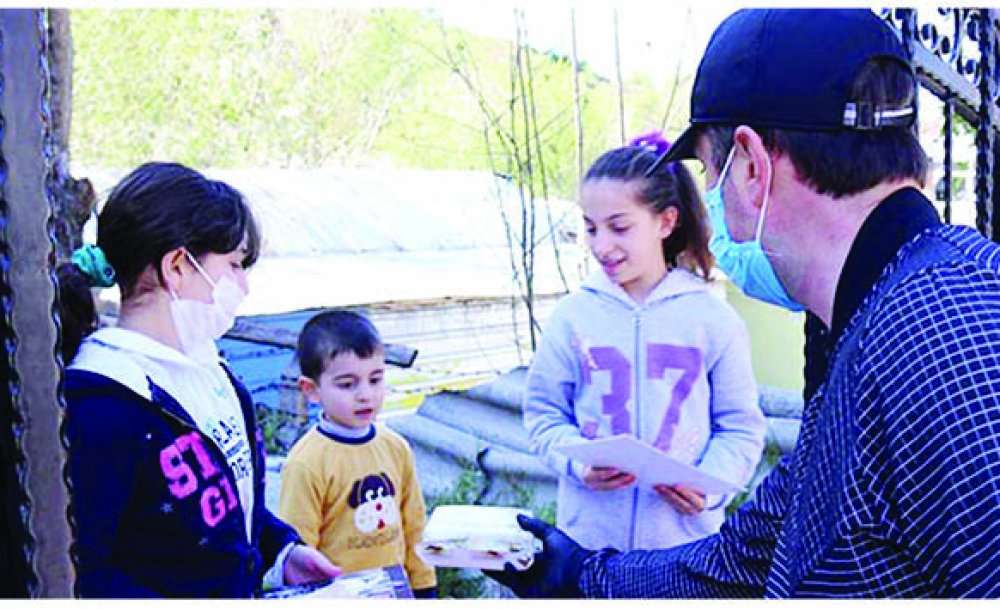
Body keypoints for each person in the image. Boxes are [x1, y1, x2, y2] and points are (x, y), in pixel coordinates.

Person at [488, 8, 1000, 598]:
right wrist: (579, 575)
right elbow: (748, 557)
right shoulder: (874, 315)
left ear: (752, 164)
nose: (713, 198)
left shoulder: (945, 329)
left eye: (710, 170)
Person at [60, 162, 340, 597]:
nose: (243, 285)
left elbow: (228, 509)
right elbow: (86, 576)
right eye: (235, 265)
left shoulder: (215, 375)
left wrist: (282, 554)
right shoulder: (101, 406)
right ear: (177, 266)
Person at [522, 132, 766, 552]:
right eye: (591, 228)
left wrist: (708, 488)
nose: (602, 245)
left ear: (666, 222)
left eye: (619, 227)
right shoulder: (572, 316)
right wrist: (579, 465)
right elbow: (544, 415)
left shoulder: (714, 320)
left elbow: (740, 429)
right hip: (590, 552)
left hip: (685, 554)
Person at [277, 310, 437, 597]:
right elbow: (298, 550)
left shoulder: (396, 448)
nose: (366, 394)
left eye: (375, 379)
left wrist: (424, 587)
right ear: (311, 390)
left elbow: (414, 526)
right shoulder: (306, 462)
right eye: (347, 384)